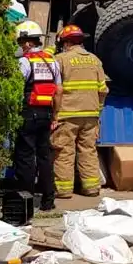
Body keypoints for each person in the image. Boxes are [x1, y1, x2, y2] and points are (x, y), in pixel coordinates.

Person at [51, 25, 108, 198]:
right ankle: (91, 188)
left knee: (63, 152)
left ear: (66, 43)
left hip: (67, 114)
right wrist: (97, 113)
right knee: (88, 150)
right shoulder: (95, 60)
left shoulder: (60, 60)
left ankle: (63, 190)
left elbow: (56, 90)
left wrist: (54, 114)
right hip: (90, 114)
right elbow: (103, 90)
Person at [13, 20, 61, 211]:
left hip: (27, 114)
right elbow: (58, 91)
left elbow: (15, 88)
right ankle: (48, 201)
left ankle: (26, 203)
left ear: (27, 42)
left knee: (25, 158)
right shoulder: (52, 62)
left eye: (20, 42)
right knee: (44, 157)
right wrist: (55, 116)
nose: (20, 46)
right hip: (46, 114)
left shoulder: (24, 62)